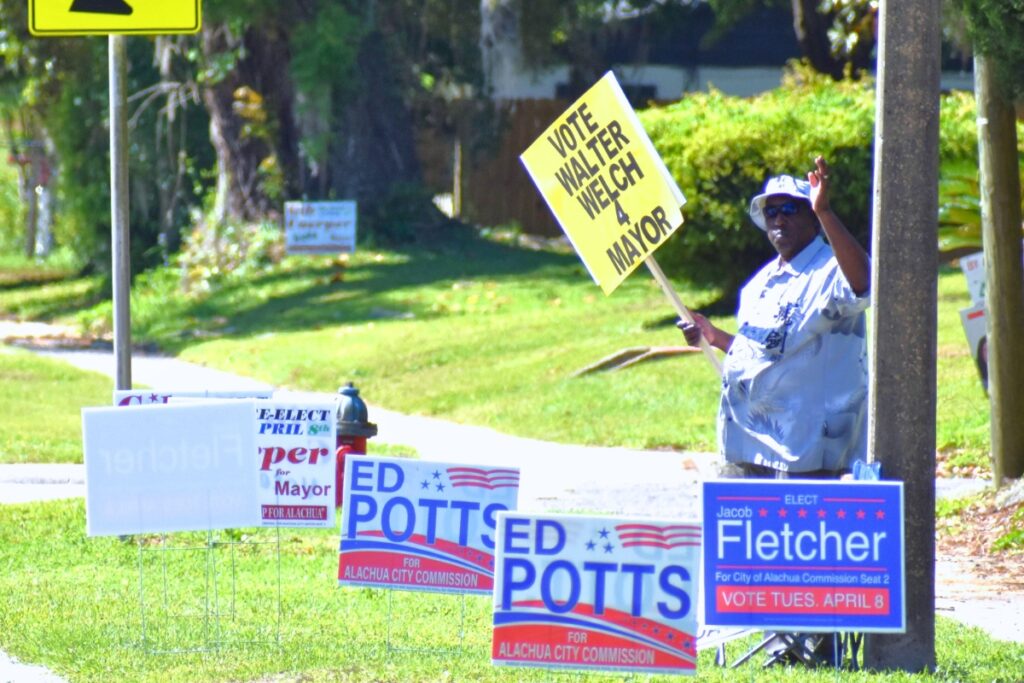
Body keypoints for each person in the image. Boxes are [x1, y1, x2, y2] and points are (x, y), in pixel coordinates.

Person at [679, 156, 871, 479]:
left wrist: (825, 211)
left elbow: (863, 282)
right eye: (771, 212)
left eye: (790, 210)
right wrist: (714, 337)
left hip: (805, 458)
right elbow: (765, 351)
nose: (779, 219)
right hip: (746, 448)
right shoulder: (759, 284)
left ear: (811, 218)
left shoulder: (829, 268)